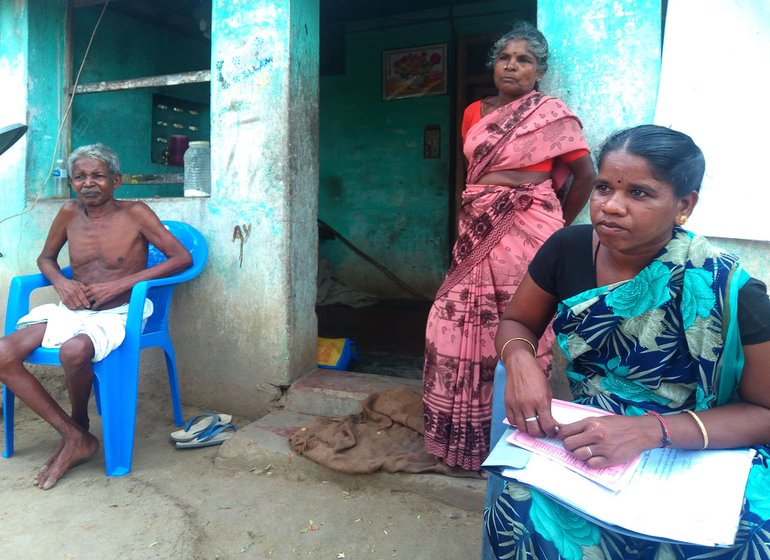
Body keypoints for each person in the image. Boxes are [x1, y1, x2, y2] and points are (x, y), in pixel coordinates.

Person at [485, 124, 770, 558]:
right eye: (603, 187)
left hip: (695, 441)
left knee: (737, 535)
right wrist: (521, 364)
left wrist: (650, 431)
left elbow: (764, 412)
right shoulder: (567, 249)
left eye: (639, 193)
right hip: (586, 435)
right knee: (524, 506)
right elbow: (517, 323)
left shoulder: (728, 289)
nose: (611, 207)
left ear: (684, 205)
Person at [423, 21, 596, 471]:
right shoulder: (475, 112)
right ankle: (462, 436)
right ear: (493, 65)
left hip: (531, 226)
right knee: (453, 321)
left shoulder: (552, 114)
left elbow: (587, 177)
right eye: (505, 58)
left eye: (524, 60)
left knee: (521, 323)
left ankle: (521, 438)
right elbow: (475, 174)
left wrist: (555, 225)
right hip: (478, 223)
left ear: (539, 71)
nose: (512, 66)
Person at [0, 143, 193, 490]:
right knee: (2, 353)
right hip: (73, 309)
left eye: (98, 176)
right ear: (72, 182)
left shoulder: (135, 213)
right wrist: (61, 283)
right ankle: (75, 436)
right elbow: (46, 259)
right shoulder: (68, 214)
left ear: (116, 180)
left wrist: (121, 283)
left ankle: (78, 423)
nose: (88, 183)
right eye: (80, 176)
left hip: (120, 310)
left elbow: (181, 258)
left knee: (73, 352)